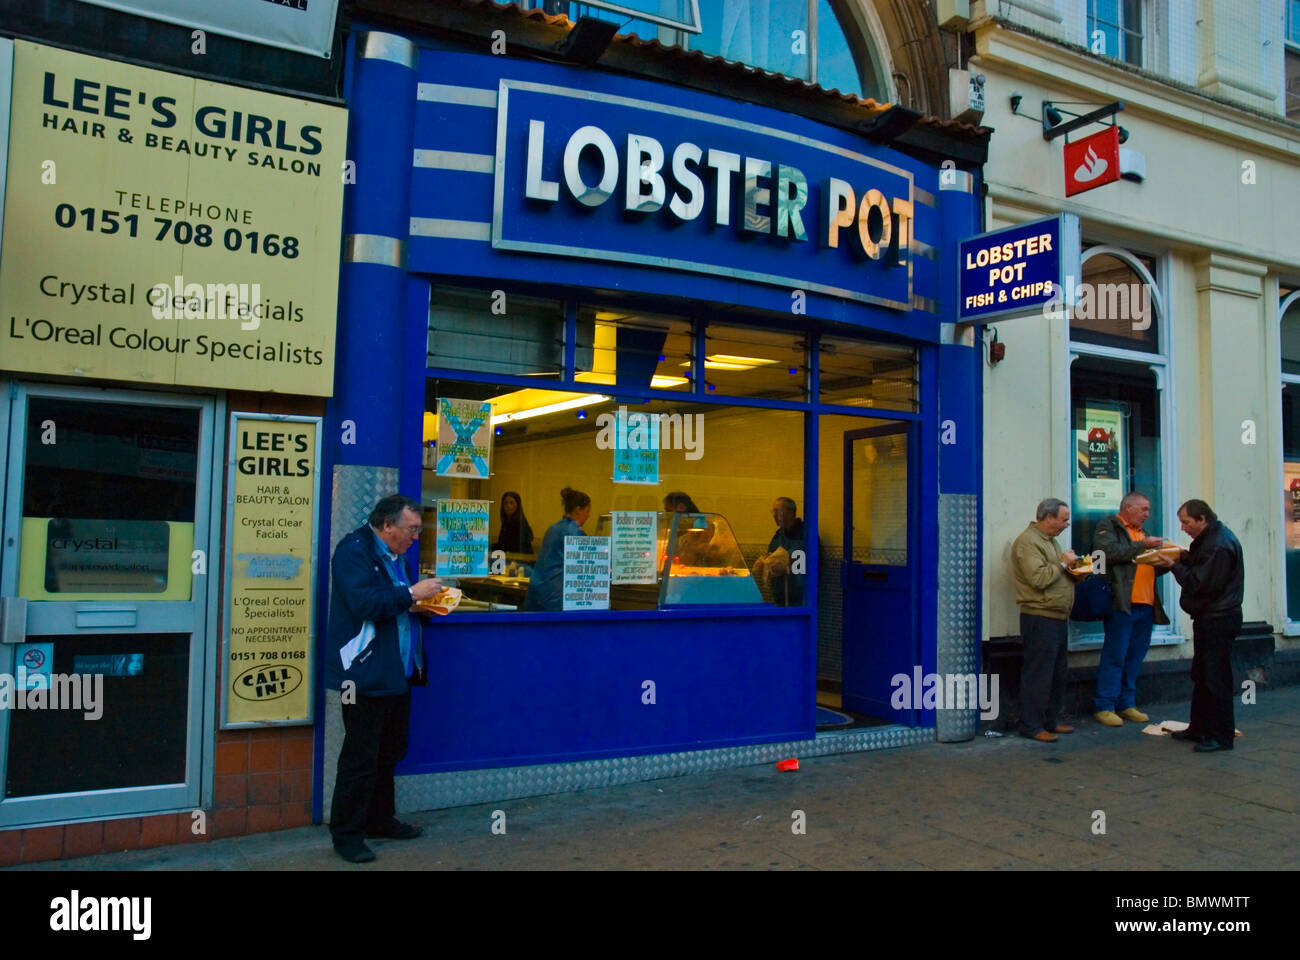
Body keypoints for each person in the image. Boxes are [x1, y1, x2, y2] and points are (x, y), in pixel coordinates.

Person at [325, 494, 444, 863]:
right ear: (387, 525)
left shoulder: (396, 556)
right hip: (362, 674)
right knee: (360, 757)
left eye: (417, 530)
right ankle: (347, 836)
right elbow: (364, 604)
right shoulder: (353, 551)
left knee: (390, 750)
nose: (414, 537)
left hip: (397, 672)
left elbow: (397, 606)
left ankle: (379, 820)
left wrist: (425, 607)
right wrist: (411, 593)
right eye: (410, 530)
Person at [1152, 500, 1244, 753]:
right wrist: (1182, 555)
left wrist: (1174, 565)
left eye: (1186, 522)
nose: (1183, 528)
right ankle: (1200, 728)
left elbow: (1202, 582)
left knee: (1215, 678)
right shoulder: (1211, 539)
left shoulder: (1220, 544)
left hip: (1219, 618)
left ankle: (1221, 736)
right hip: (1209, 617)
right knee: (1202, 675)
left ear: (1202, 519)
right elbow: (1200, 564)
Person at [1092, 492, 1171, 727]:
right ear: (1128, 507)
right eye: (1144, 509)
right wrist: (1143, 545)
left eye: (1148, 510)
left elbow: (1142, 566)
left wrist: (1165, 562)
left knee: (1135, 656)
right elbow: (1106, 554)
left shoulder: (1142, 533)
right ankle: (1104, 705)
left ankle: (1127, 703)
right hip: (1122, 604)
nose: (1148, 514)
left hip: (1145, 604)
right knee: (1115, 654)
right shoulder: (1109, 526)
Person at [1011, 497, 1085, 742]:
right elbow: (1039, 579)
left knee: (1056, 673)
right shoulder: (1027, 543)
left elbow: (1055, 574)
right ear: (1048, 517)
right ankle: (1031, 725)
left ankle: (1050, 720)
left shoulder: (1050, 542)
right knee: (1039, 673)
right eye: (1063, 520)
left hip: (1056, 615)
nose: (1067, 524)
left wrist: (1076, 571)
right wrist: (1064, 563)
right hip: (1040, 616)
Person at [524, 487, 591, 611]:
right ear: (578, 510)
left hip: (536, 593)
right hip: (555, 598)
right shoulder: (574, 533)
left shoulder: (554, 528)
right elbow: (587, 565)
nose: (588, 515)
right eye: (587, 511)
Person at [757, 497, 805, 606]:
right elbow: (771, 557)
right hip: (780, 598)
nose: (774, 515)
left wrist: (786, 569)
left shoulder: (805, 535)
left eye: (778, 511)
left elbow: (808, 567)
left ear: (790, 513)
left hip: (799, 601)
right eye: (773, 511)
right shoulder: (778, 536)